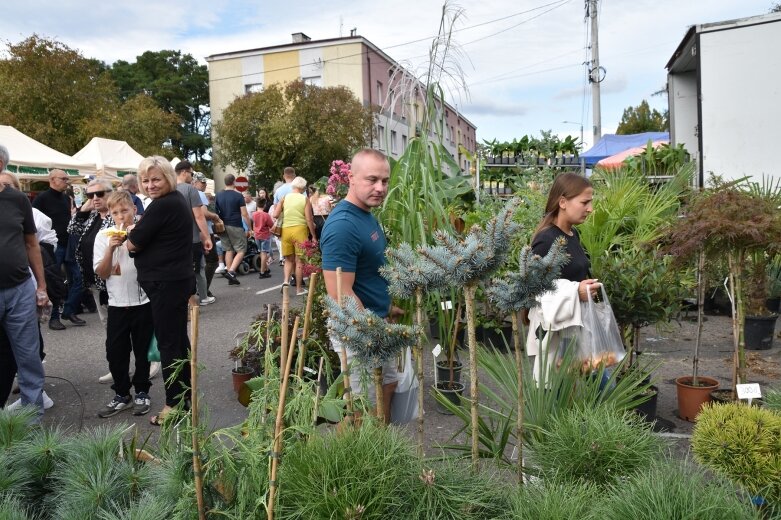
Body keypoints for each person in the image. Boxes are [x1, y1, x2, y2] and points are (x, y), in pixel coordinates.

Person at [320, 149, 401, 423]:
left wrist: (388, 306)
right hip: (358, 334)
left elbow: (369, 272)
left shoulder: (365, 214)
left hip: (378, 324)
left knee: (387, 389)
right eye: (372, 180)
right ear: (351, 178)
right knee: (360, 412)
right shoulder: (343, 225)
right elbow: (340, 293)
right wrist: (372, 331)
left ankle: (382, 451)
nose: (380, 188)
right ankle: (354, 462)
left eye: (385, 181)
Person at [126, 156, 194, 425]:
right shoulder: (172, 202)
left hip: (166, 283)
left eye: (156, 179)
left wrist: (133, 234)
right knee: (177, 341)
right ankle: (185, 397)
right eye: (145, 180)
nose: (150, 185)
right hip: (173, 281)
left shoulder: (163, 204)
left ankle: (174, 404)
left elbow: (133, 244)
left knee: (169, 344)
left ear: (168, 177)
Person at [527, 172, 601, 380]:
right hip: (559, 336)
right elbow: (534, 288)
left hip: (576, 329)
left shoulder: (572, 234)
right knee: (572, 392)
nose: (590, 209)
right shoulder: (546, 239)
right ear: (563, 202)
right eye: (585, 202)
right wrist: (576, 291)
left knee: (586, 392)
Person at [94, 191, 154, 418]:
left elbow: (152, 261)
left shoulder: (143, 231)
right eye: (116, 212)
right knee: (115, 352)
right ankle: (121, 394)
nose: (121, 216)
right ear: (110, 214)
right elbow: (101, 272)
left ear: (134, 210)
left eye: (125, 210)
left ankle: (141, 392)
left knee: (142, 351)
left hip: (143, 301)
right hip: (117, 303)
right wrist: (111, 248)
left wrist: (133, 239)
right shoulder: (103, 236)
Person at [0, 149, 49, 419]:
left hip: (20, 289)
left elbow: (32, 244)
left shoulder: (18, 200)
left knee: (29, 358)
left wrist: (41, 286)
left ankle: (33, 428)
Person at [33, 169, 83, 330]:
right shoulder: (42, 199)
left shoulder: (66, 198)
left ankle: (68, 310)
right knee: (54, 281)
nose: (66, 181)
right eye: (63, 178)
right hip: (53, 247)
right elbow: (34, 220)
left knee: (79, 279)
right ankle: (54, 317)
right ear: (52, 179)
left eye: (67, 178)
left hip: (69, 244)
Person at [67, 178, 116, 327]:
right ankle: (113, 349)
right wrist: (84, 209)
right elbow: (72, 229)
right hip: (94, 280)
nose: (95, 198)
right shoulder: (93, 216)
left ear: (110, 193)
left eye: (99, 194)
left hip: (112, 278)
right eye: (90, 195)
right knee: (106, 322)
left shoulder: (117, 214)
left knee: (119, 322)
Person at [174, 161, 213, 305]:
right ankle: (199, 300)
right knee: (196, 270)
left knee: (179, 271)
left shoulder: (169, 189)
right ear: (184, 172)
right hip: (192, 238)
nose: (192, 176)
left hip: (174, 240)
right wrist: (207, 236)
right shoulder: (191, 190)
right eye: (191, 173)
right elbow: (199, 216)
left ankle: (183, 302)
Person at [276, 176, 317, 296]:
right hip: (299, 230)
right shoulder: (305, 199)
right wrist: (313, 235)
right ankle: (299, 289)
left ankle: (285, 282)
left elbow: (275, 214)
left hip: (286, 230)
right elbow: (309, 219)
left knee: (288, 260)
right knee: (299, 261)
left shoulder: (284, 198)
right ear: (303, 187)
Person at [215, 174, 251, 286]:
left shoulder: (218, 195)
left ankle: (230, 275)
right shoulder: (238, 196)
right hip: (235, 224)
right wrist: (249, 228)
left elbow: (216, 211)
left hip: (223, 225)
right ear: (234, 182)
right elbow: (244, 214)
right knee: (241, 250)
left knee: (228, 249)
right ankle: (231, 272)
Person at [192, 172, 220, 303]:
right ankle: (203, 290)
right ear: (195, 182)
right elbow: (202, 213)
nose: (204, 185)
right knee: (212, 261)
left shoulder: (186, 192)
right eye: (202, 182)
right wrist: (215, 216)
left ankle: (198, 290)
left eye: (205, 182)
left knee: (198, 264)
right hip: (204, 232)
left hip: (193, 233)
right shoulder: (199, 194)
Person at [252, 201, 274, 279]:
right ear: (264, 205)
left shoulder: (253, 214)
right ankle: (262, 272)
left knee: (261, 252)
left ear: (257, 205)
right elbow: (271, 225)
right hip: (265, 235)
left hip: (257, 235)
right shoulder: (266, 215)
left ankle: (266, 269)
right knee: (264, 253)